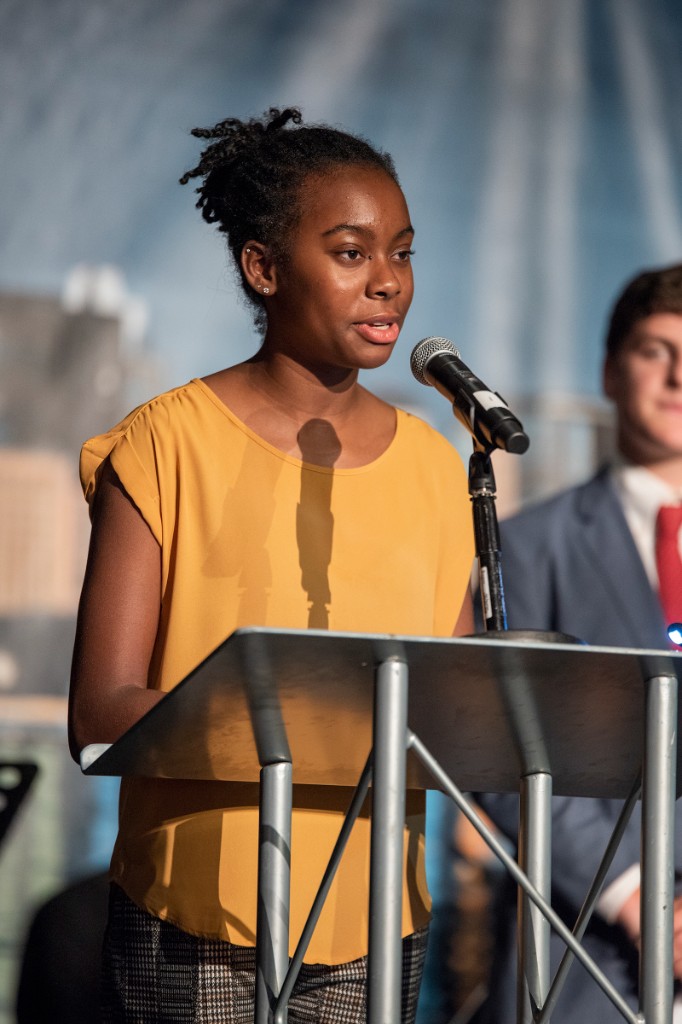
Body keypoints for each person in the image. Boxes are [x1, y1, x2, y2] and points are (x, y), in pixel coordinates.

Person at [67, 107, 475, 1024]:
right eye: (350, 253)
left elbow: (446, 716)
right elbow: (101, 712)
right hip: (199, 921)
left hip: (376, 924)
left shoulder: (438, 467)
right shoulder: (168, 443)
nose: (387, 284)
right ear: (263, 267)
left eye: (402, 253)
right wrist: (310, 724)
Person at [475, 262, 682, 1023]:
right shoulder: (527, 548)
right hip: (578, 961)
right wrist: (637, 898)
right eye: (656, 350)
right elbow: (497, 751)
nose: (678, 375)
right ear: (609, 370)